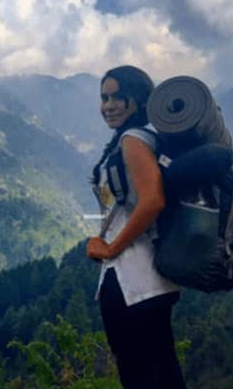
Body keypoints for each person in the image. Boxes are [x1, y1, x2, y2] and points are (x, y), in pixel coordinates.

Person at [86, 65, 187, 388]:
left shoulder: (132, 140)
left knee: (139, 376)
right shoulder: (147, 138)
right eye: (104, 98)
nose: (108, 105)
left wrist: (110, 248)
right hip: (153, 280)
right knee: (163, 374)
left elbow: (153, 201)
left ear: (138, 100)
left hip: (131, 281)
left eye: (117, 97)